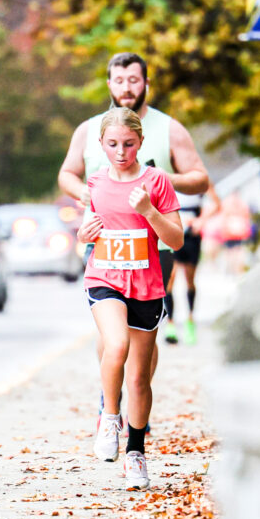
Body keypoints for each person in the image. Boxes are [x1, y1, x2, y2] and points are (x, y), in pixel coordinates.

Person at [58, 51, 209, 410]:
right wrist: (83, 192)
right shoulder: (90, 129)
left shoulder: (168, 127)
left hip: (155, 246)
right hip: (105, 244)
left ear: (146, 84)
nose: (127, 88)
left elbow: (200, 177)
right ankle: (108, 400)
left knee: (143, 338)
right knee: (111, 333)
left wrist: (157, 181)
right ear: (110, 84)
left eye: (134, 80)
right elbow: (67, 173)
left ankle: (138, 394)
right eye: (120, 81)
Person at [77, 107, 183, 490]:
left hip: (147, 285)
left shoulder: (157, 181)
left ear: (140, 142)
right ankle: (109, 416)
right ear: (101, 144)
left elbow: (176, 240)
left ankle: (135, 453)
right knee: (115, 343)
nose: (120, 151)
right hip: (104, 278)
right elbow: (87, 232)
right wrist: (83, 235)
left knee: (139, 377)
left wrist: (148, 211)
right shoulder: (96, 183)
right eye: (112, 144)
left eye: (128, 143)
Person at [163, 182, 221, 345]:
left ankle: (190, 320)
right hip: (171, 229)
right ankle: (171, 325)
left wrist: (201, 220)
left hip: (191, 235)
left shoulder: (197, 177)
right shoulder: (166, 173)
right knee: (169, 278)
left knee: (189, 279)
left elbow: (217, 203)